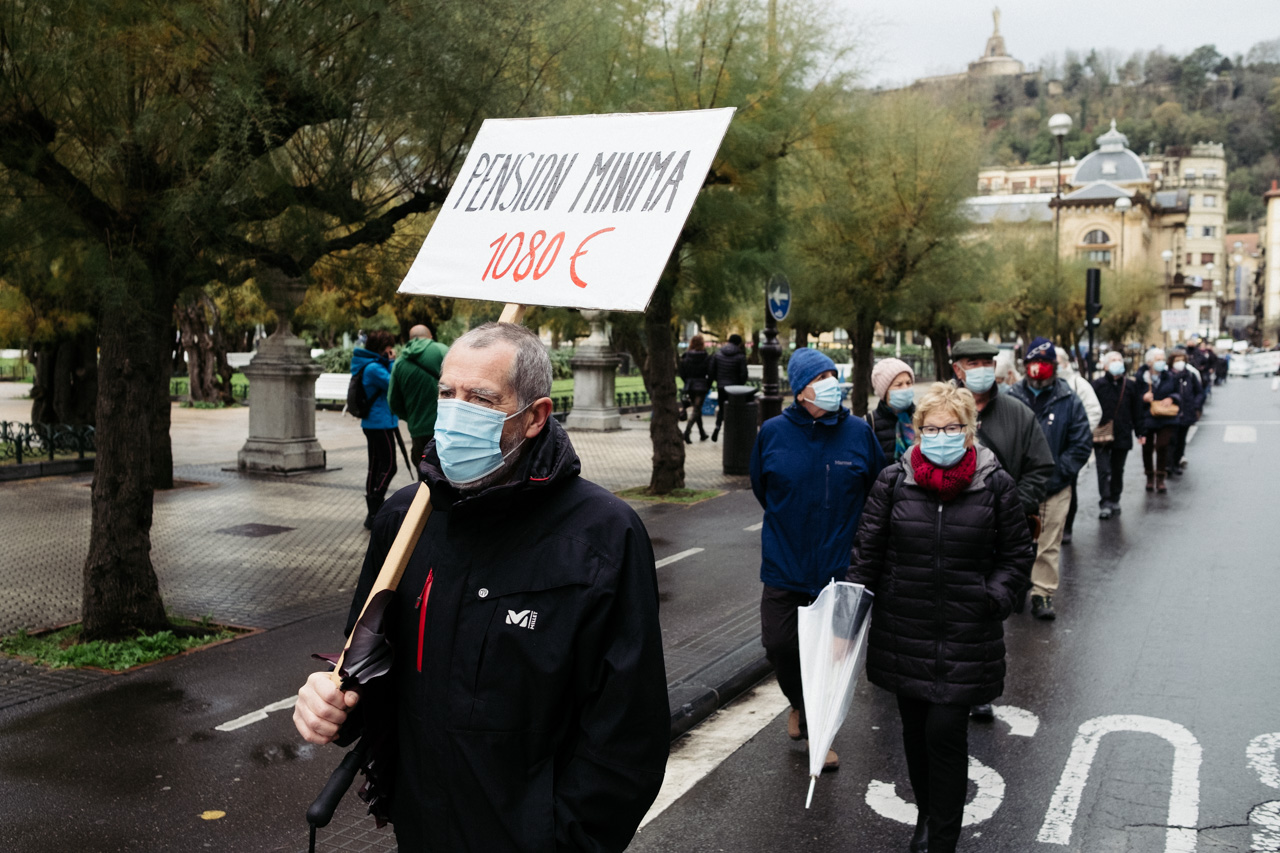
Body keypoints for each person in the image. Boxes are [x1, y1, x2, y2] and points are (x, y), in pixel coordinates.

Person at [295, 322, 670, 851]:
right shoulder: (405, 518)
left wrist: (565, 839)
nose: (454, 412)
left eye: (481, 398)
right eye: (447, 394)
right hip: (420, 832)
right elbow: (368, 671)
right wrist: (333, 704)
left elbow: (628, 732)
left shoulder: (602, 537)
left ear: (535, 416)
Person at [847, 383, 1034, 853]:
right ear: (916, 431)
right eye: (932, 428)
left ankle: (943, 839)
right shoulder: (892, 482)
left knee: (944, 733)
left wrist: (992, 598)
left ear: (969, 430)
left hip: (966, 634)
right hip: (904, 631)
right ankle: (927, 815)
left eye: (952, 427)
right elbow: (866, 555)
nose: (942, 436)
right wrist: (847, 622)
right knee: (914, 734)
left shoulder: (995, 484)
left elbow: (1016, 555)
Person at [749, 347, 884, 770]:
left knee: (831, 658)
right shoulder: (772, 432)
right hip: (785, 566)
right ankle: (798, 703)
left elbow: (877, 491)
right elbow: (762, 488)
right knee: (780, 645)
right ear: (800, 389)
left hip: (841, 570)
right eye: (821, 378)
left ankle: (817, 733)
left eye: (833, 374)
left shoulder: (859, 433)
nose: (833, 384)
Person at [1008, 338, 1092, 621]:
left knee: (1048, 543)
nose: (1037, 370)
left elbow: (1081, 444)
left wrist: (1053, 477)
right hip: (1017, 486)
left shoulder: (1069, 399)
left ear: (1054, 367)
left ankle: (1042, 593)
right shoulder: (1010, 398)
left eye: (1043, 364)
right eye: (1033, 364)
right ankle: (1012, 590)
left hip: (1055, 487)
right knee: (1012, 540)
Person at [351, 330, 400, 529]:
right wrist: (393, 361)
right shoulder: (373, 368)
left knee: (375, 467)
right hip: (380, 424)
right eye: (388, 347)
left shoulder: (369, 364)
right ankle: (376, 505)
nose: (391, 350)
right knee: (389, 466)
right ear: (381, 349)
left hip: (374, 423)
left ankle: (372, 514)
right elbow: (393, 383)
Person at [387, 323, 448, 477]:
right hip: (447, 427)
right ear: (430, 337)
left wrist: (412, 418)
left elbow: (393, 401)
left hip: (418, 432)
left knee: (425, 477)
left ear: (410, 339)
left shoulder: (399, 363)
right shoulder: (442, 351)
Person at [1090, 352, 1144, 519]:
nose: (1117, 363)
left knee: (1117, 469)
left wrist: (1140, 432)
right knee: (1103, 470)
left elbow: (1137, 410)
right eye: (1113, 361)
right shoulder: (1097, 385)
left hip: (1122, 433)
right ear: (1105, 366)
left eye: (1119, 360)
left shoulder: (1130, 385)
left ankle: (1115, 498)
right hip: (1102, 435)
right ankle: (1105, 502)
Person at [1055, 350, 1101, 544]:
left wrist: (1078, 435)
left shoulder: (1078, 384)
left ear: (1065, 364)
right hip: (1045, 446)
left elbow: (1094, 410)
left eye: (1055, 363)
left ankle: (1066, 526)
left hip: (1069, 448)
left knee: (1068, 486)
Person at [1135, 346, 1181, 493]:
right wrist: (1142, 398)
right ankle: (1149, 476)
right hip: (1147, 417)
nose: (1161, 362)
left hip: (1166, 417)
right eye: (1157, 359)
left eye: (1162, 359)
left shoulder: (1170, 376)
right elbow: (1133, 397)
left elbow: (1179, 393)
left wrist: (1171, 398)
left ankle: (1160, 477)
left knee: (1162, 446)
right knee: (1147, 448)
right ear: (1150, 362)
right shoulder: (1140, 378)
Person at [866, 357, 916, 462]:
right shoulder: (870, 422)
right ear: (884, 392)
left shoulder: (921, 416)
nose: (905, 388)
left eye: (908, 383)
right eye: (898, 384)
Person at [1166, 348, 1204, 476]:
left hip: (1187, 413)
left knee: (1181, 440)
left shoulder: (1190, 375)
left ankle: (1177, 462)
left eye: (1182, 360)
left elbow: (1199, 392)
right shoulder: (1168, 376)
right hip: (1171, 414)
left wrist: (1195, 405)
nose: (1180, 363)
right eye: (1177, 360)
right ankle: (1168, 464)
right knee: (1171, 440)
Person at [709, 333, 748, 441]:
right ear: (739, 343)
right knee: (734, 409)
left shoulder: (718, 354)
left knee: (722, 408)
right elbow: (743, 374)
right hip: (734, 388)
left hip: (721, 386)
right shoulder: (740, 356)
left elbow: (711, 371)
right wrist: (740, 385)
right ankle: (732, 432)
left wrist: (719, 380)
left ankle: (717, 427)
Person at [679, 334, 712, 443]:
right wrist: (708, 383)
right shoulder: (705, 357)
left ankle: (702, 433)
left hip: (690, 385)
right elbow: (710, 372)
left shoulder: (686, 356)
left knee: (697, 409)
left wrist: (687, 382)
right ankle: (687, 432)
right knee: (697, 410)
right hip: (701, 385)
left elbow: (682, 372)